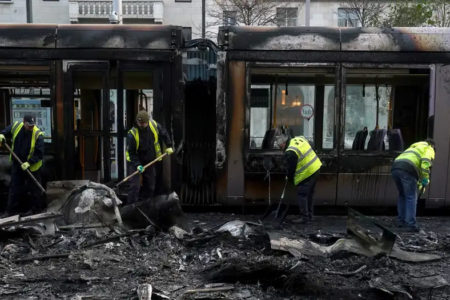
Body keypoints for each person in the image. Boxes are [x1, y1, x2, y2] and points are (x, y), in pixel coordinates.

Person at [0, 115, 45, 217]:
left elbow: (39, 153)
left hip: (32, 167)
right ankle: (11, 211)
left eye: (32, 125)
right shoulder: (16, 126)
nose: (31, 127)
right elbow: (6, 130)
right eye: (29, 125)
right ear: (24, 122)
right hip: (17, 163)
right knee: (14, 188)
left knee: (34, 190)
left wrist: (29, 162)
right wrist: (2, 134)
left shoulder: (38, 134)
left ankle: (36, 211)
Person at [125, 110, 173, 204]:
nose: (141, 124)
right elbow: (131, 153)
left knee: (150, 186)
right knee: (135, 187)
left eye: (143, 123)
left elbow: (164, 133)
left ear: (148, 121)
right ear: (137, 122)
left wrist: (169, 145)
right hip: (135, 162)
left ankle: (145, 205)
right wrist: (138, 165)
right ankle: (130, 208)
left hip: (149, 160)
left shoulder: (154, 125)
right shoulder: (132, 134)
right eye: (140, 123)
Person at [391, 139, 435, 232]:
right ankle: (410, 224)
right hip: (407, 169)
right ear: (432, 146)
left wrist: (420, 185)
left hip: (395, 167)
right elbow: (425, 164)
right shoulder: (428, 148)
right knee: (411, 197)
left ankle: (401, 221)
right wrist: (425, 178)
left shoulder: (414, 147)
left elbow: (416, 173)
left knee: (403, 195)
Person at [276, 134, 322, 224]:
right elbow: (311, 145)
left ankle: (305, 218)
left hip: (308, 172)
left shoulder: (290, 151)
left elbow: (291, 168)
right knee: (309, 194)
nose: (280, 148)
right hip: (316, 168)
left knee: (302, 195)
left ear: (283, 143)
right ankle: (309, 216)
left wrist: (289, 178)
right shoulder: (298, 139)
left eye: (279, 146)